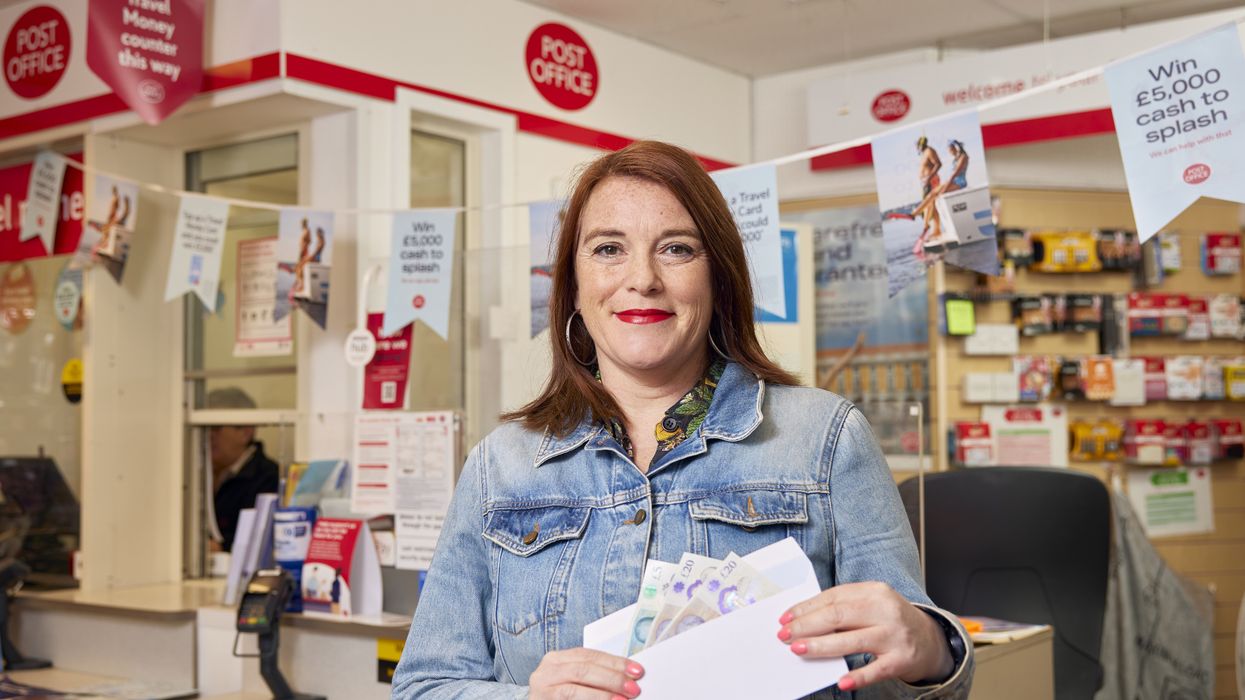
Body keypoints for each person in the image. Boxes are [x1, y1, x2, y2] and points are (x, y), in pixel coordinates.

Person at [391, 141, 973, 699]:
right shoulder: (501, 466)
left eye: (676, 248)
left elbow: (903, 681)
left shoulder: (826, 440)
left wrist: (929, 648)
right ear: (572, 285)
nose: (642, 278)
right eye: (608, 248)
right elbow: (422, 687)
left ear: (718, 278)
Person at [206, 387, 279, 552]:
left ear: (246, 432)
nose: (208, 435)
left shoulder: (268, 478)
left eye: (215, 428)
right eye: (203, 428)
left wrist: (219, 547)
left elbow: (259, 539)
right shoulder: (193, 475)